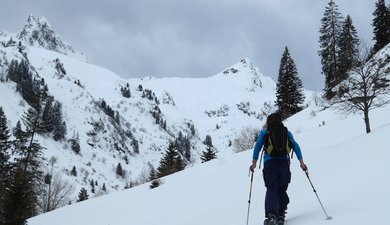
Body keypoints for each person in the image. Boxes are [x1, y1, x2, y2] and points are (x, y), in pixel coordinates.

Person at [250, 113, 307, 225]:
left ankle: (271, 216)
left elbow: (257, 147)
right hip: (284, 164)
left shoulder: (265, 132)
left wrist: (254, 163)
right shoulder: (286, 132)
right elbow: (296, 146)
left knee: (271, 188)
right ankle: (281, 214)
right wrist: (302, 163)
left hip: (270, 163)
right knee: (282, 188)